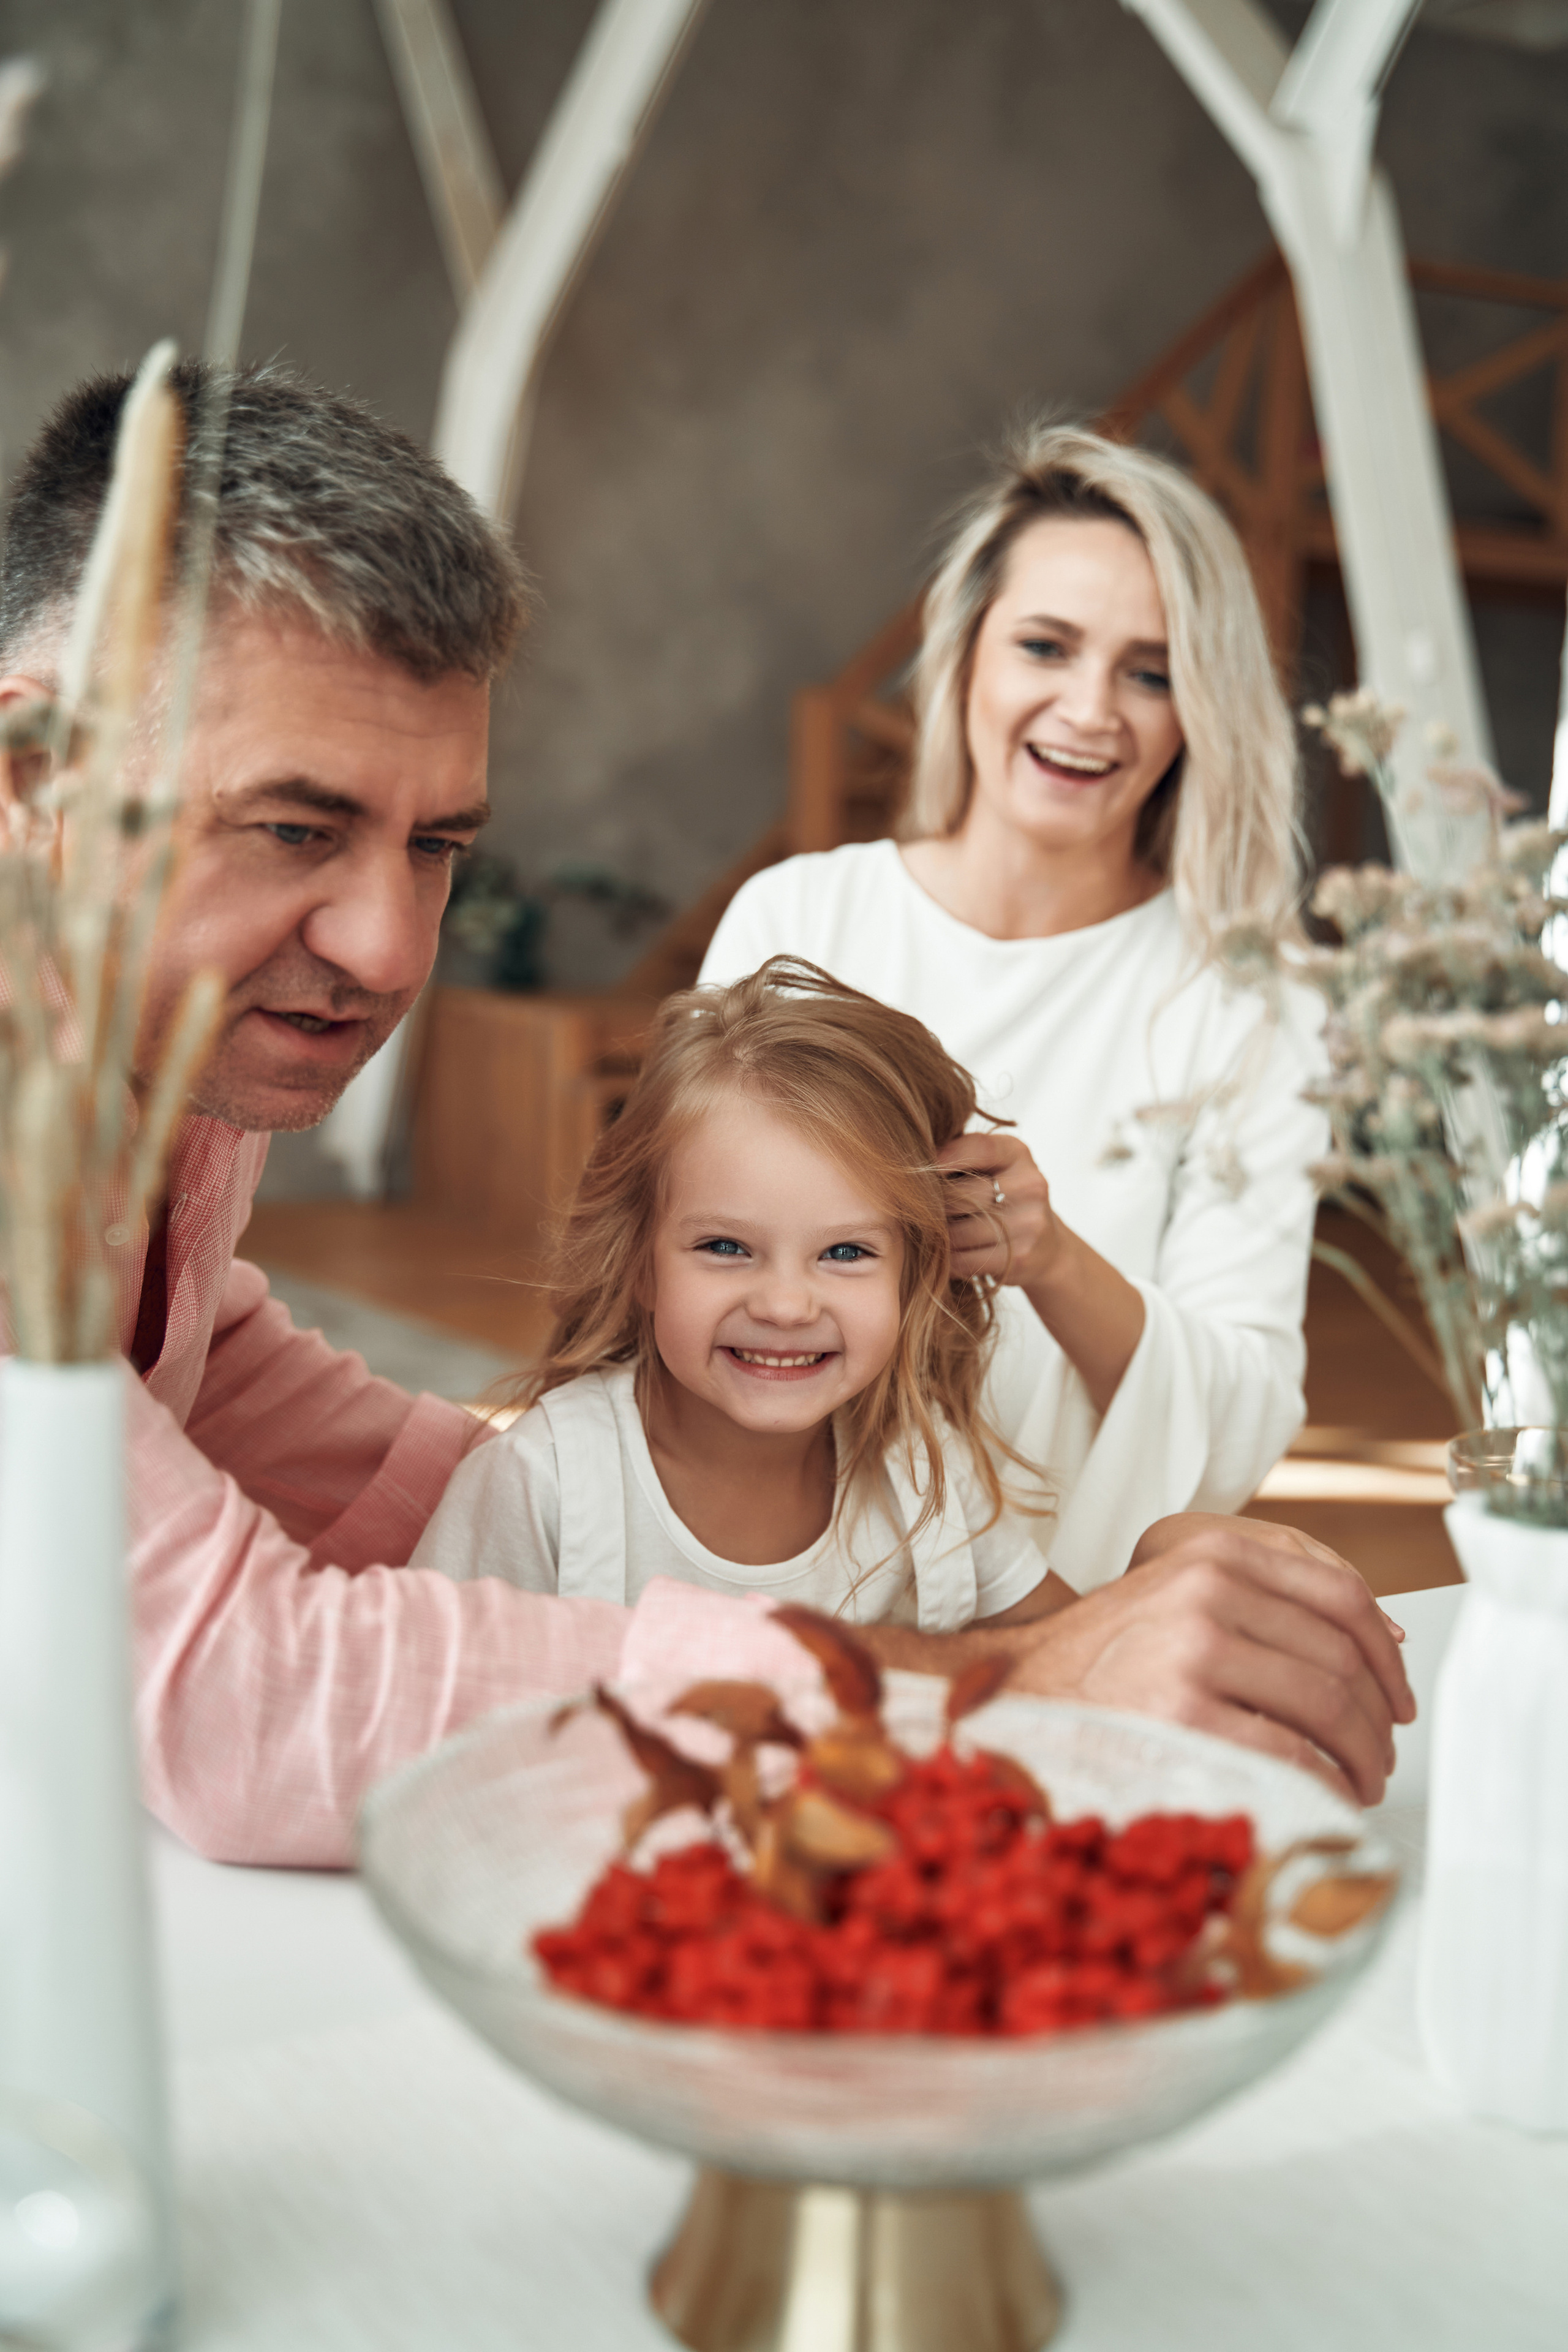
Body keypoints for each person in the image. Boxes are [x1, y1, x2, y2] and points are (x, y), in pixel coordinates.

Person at [0, 365, 1410, 1872]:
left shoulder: (164, 1041)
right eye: (297, 828)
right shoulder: (803, 910)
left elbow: (201, 1361)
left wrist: (531, 1500)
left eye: (436, 847)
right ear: (34, 775)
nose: (392, 949)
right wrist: (995, 1691)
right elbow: (247, 1697)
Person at [701, 423, 1327, 1594]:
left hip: (1069, 1610)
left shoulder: (1249, 1001)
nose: (1091, 709)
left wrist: (1051, 1260)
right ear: (969, 656)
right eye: (1048, 646)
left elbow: (1242, 1425)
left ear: (1201, 709)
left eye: (1151, 671)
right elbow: (668, 1262)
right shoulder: (798, 921)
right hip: (760, 1581)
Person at [413, 958, 1065, 1626]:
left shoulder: (923, 1470)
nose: (784, 1307)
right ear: (638, 1262)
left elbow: (1074, 1658)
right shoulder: (540, 1483)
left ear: (915, 1275)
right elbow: (419, 1703)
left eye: (845, 1252)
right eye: (726, 1248)